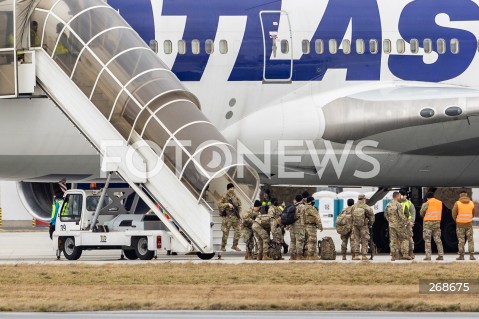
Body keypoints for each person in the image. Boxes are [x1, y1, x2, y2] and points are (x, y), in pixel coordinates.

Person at [384, 192, 412, 261]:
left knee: (393, 240)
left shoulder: (388, 205)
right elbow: (401, 215)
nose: (400, 197)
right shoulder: (398, 204)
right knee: (405, 238)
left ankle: (393, 256)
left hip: (391, 225)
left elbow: (386, 215)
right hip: (399, 225)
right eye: (399, 196)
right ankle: (405, 254)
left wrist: (390, 221)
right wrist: (408, 222)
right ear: (397, 196)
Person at [420, 192, 444, 261]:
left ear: (427, 198)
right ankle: (441, 255)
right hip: (437, 223)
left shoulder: (426, 203)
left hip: (428, 224)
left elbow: (421, 213)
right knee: (438, 239)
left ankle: (428, 256)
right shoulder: (439, 202)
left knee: (427, 240)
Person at [218, 183, 242, 252]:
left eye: (233, 188)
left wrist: (239, 213)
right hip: (227, 217)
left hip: (235, 217)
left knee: (238, 231)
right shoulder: (225, 196)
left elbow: (240, 205)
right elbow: (219, 204)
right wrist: (227, 204)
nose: (232, 189)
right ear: (228, 189)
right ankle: (223, 246)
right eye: (230, 188)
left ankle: (234, 245)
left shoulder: (236, 197)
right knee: (225, 233)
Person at [452, 192, 476, 260]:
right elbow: (473, 214)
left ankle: (461, 256)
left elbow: (454, 214)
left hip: (460, 225)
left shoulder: (457, 203)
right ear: (466, 195)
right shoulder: (471, 203)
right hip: (469, 224)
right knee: (470, 240)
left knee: (461, 240)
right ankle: (471, 255)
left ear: (460, 196)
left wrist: (457, 220)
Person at [351, 194, 375, 261]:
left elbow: (351, 216)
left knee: (356, 240)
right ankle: (364, 256)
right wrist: (370, 223)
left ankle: (356, 255)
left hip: (355, 226)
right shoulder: (366, 207)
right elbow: (372, 217)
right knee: (364, 240)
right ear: (364, 199)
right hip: (364, 226)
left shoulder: (353, 206)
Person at [398, 190, 416, 259]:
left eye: (402, 195)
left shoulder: (409, 203)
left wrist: (411, 222)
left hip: (408, 224)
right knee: (399, 239)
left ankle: (411, 252)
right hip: (399, 224)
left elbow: (413, 214)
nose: (401, 196)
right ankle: (401, 253)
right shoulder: (397, 203)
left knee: (409, 239)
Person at [289, 194, 306, 260]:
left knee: (292, 241)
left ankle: (292, 256)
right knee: (299, 240)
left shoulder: (293, 206)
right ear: (301, 199)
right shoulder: (302, 206)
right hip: (299, 226)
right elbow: (305, 216)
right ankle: (299, 255)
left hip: (292, 226)